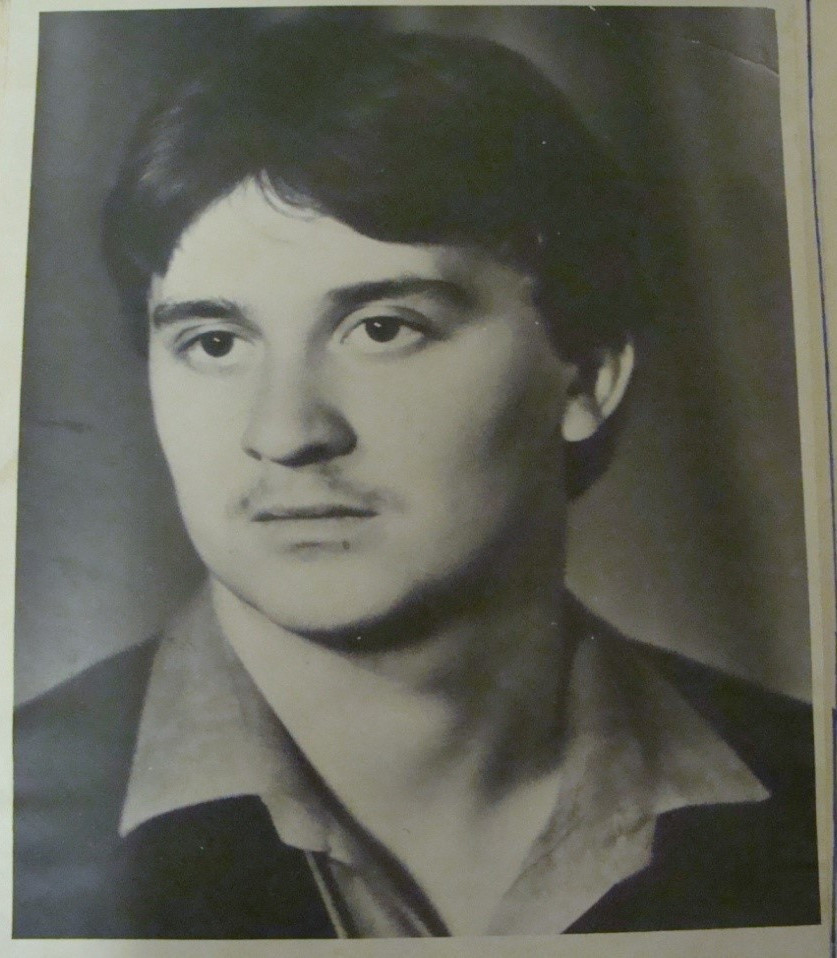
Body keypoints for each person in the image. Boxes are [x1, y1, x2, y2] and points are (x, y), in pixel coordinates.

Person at [13, 18, 820, 938]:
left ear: (586, 378)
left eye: (383, 328)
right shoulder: (20, 807)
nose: (286, 432)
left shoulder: (812, 795)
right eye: (215, 342)